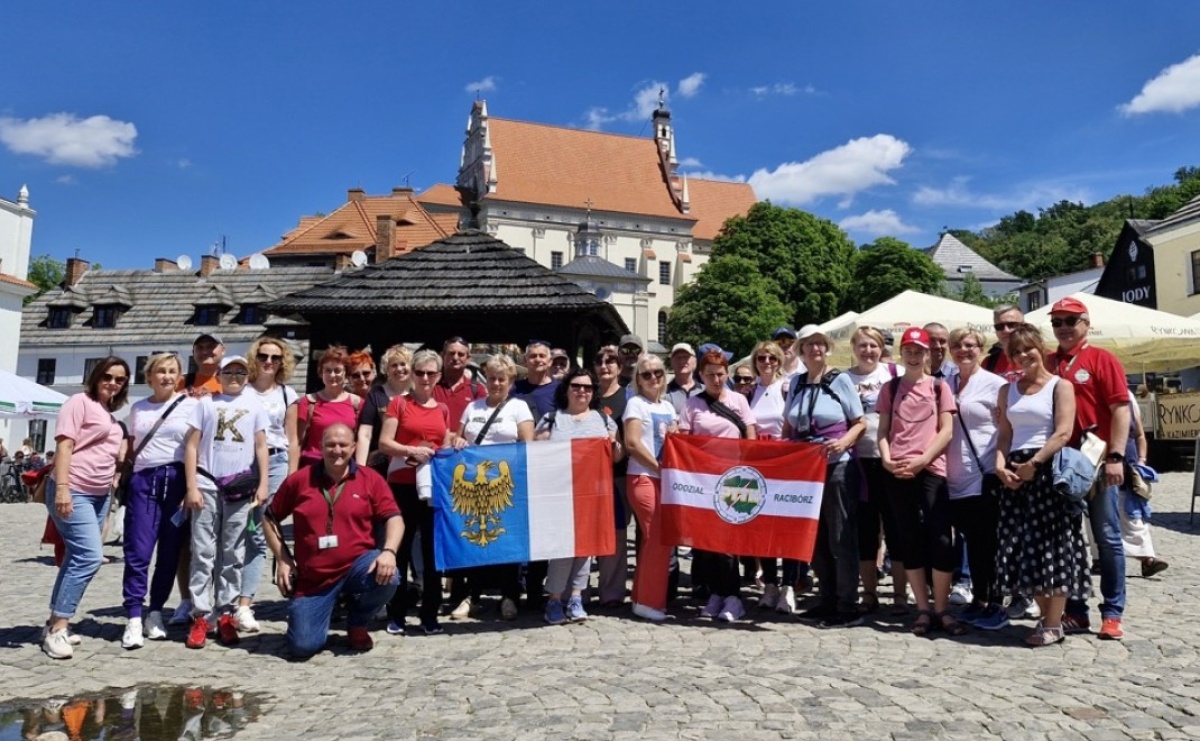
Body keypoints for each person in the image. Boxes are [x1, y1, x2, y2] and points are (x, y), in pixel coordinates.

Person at [264, 424, 402, 658]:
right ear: (320, 447)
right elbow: (269, 518)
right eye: (330, 445)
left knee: (390, 576)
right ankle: (315, 616)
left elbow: (394, 518)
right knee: (303, 647)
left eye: (343, 445)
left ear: (354, 447)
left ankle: (357, 622)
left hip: (357, 565)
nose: (337, 450)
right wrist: (283, 558)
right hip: (314, 578)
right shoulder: (300, 480)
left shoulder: (370, 478)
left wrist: (388, 551)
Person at [994, 324, 1089, 646]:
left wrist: (1035, 465)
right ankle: (1049, 617)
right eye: (1015, 352)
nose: (1022, 356)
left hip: (1047, 472)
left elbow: (1063, 432)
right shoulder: (1008, 391)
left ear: (1040, 348)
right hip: (1015, 475)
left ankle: (1052, 622)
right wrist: (999, 465)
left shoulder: (1059, 386)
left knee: (1053, 547)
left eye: (1027, 349)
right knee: (1020, 548)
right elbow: (1004, 434)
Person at [1047, 297, 1131, 640]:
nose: (1064, 327)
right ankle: (1076, 610)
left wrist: (1117, 456)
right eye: (1058, 321)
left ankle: (1112, 612)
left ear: (1086, 323)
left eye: (1071, 320)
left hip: (1096, 461)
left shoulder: (1101, 359)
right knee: (1068, 541)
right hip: (1059, 463)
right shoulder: (1048, 361)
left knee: (1107, 537)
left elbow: (1121, 409)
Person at [41, 357, 130, 659]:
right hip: (74, 488)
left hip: (99, 493)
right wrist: (63, 489)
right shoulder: (78, 401)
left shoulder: (109, 413)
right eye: (108, 376)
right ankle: (57, 629)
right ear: (95, 376)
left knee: (75, 557)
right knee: (90, 557)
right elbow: (64, 446)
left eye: (120, 379)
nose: (113, 383)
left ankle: (55, 622)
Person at [877, 328, 961, 637]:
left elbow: (946, 430)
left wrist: (923, 459)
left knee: (940, 537)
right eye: (908, 350)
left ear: (928, 354)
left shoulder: (940, 387)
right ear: (901, 353)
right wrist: (886, 459)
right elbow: (883, 431)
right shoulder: (891, 388)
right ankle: (923, 609)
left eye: (919, 351)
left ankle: (942, 608)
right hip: (897, 468)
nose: (914, 356)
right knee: (908, 536)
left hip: (930, 468)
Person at [182, 355, 270, 649]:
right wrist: (191, 485)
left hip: (239, 488)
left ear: (248, 376)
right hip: (207, 485)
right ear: (219, 374)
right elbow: (192, 445)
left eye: (241, 372)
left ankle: (226, 613)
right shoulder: (206, 404)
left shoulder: (255, 406)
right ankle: (201, 614)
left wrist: (263, 484)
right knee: (203, 552)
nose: (235, 376)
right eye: (229, 371)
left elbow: (261, 446)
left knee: (233, 552)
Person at [783, 326, 866, 628]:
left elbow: (859, 422)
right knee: (814, 536)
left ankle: (847, 605)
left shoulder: (839, 379)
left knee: (840, 536)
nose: (815, 349)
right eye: (809, 345)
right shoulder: (796, 383)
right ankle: (827, 598)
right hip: (805, 469)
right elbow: (789, 427)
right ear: (801, 350)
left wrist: (844, 442)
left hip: (836, 465)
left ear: (826, 348)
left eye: (820, 344)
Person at [120, 352, 197, 649]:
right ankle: (134, 616)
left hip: (176, 481)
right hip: (144, 481)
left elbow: (196, 447)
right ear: (149, 376)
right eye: (160, 371)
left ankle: (156, 612)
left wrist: (192, 487)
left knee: (170, 552)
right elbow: (129, 445)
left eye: (172, 371)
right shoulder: (138, 408)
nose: (166, 376)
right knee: (138, 552)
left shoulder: (192, 405)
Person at [378, 349, 455, 636]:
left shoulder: (443, 409)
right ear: (412, 374)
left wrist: (453, 445)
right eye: (420, 372)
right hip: (402, 484)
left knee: (432, 552)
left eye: (430, 373)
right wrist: (411, 450)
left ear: (438, 376)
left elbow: (444, 443)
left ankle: (429, 615)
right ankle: (396, 613)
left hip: (432, 487)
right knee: (399, 548)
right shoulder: (399, 403)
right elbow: (385, 442)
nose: (425, 378)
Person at [535, 367, 620, 624]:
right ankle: (554, 599)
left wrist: (613, 444)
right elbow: (538, 455)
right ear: (566, 389)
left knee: (585, 549)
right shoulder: (552, 418)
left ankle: (576, 596)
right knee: (562, 549)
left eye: (587, 387)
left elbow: (617, 456)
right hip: (560, 494)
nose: (582, 391)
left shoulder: (604, 420)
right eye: (576, 386)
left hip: (592, 494)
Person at [455, 354, 535, 620]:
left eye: (502, 379)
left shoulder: (519, 408)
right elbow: (457, 438)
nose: (497, 383)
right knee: (477, 539)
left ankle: (510, 594)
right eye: (492, 378)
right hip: (475, 484)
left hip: (506, 484)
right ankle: (472, 594)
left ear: (511, 381)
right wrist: (457, 443)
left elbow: (527, 445)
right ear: (485, 380)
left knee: (507, 539)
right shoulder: (472, 408)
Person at [681, 349, 758, 623]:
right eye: (710, 374)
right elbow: (685, 438)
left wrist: (747, 465)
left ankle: (734, 597)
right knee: (708, 542)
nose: (716, 379)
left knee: (728, 543)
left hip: (734, 479)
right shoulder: (693, 403)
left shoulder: (738, 399)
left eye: (721, 373)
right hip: (704, 480)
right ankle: (717, 592)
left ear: (727, 373)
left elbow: (750, 433)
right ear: (701, 375)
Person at [945, 328, 1008, 631]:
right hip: (954, 475)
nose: (963, 350)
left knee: (988, 542)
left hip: (984, 474)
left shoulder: (996, 385)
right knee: (970, 539)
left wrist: (1000, 463)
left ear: (981, 349)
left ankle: (995, 601)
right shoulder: (946, 383)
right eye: (956, 345)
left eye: (969, 345)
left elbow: (1006, 428)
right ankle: (979, 598)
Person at [237, 336, 300, 633]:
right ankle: (224, 599)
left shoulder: (287, 394)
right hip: (240, 464)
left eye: (276, 358)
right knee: (232, 532)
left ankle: (245, 604)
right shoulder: (241, 391)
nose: (269, 362)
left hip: (275, 462)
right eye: (264, 356)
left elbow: (292, 439)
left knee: (260, 533)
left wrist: (292, 474)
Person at [845, 327, 907, 615]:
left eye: (873, 346)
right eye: (862, 346)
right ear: (854, 348)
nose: (868, 351)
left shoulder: (894, 373)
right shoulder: (844, 378)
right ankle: (868, 594)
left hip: (891, 459)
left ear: (881, 348)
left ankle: (899, 595)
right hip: (858, 460)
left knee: (897, 529)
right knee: (866, 531)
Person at [168, 332, 227, 627]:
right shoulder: (182, 384)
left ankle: (216, 601)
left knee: (215, 542)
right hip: (182, 466)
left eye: (211, 347)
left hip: (217, 469)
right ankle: (186, 599)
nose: (206, 352)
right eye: (200, 347)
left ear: (222, 351)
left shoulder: (230, 382)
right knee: (183, 541)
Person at [623, 354, 677, 622]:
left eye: (657, 372)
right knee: (657, 537)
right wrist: (659, 468)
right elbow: (631, 443)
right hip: (644, 477)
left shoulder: (668, 407)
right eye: (646, 374)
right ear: (638, 379)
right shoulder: (635, 404)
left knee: (654, 540)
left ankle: (641, 598)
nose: (653, 377)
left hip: (665, 479)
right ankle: (648, 600)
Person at [510, 340, 560, 608]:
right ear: (525, 360)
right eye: (533, 356)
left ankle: (535, 587)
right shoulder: (514, 390)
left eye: (542, 356)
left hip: (549, 470)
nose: (538, 360)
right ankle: (516, 586)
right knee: (520, 529)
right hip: (518, 467)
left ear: (550, 360)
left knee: (542, 530)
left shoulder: (560, 390)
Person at [746, 340, 788, 610]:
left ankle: (790, 586)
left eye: (772, 358)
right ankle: (770, 584)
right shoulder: (749, 392)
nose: (767, 363)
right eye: (762, 358)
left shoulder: (788, 386)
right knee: (765, 530)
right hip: (758, 464)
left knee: (788, 525)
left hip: (786, 462)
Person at [593, 345, 631, 607]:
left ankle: (612, 591)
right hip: (587, 478)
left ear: (619, 367)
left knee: (616, 534)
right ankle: (579, 590)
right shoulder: (586, 394)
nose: (605, 366)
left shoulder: (628, 398)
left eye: (611, 361)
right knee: (587, 533)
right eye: (600, 361)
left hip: (618, 475)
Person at [291, 345, 362, 473]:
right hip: (312, 467)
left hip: (344, 469)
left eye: (337, 370)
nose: (332, 375)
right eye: (327, 370)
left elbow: (361, 440)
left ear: (346, 373)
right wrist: (292, 474)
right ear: (321, 373)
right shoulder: (308, 402)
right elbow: (297, 442)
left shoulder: (357, 404)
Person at [1121, 400, 1168, 577]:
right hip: (1112, 467)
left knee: (1133, 512)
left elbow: (1140, 435)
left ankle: (1147, 559)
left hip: (1132, 468)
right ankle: (1147, 559)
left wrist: (1142, 459)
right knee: (1128, 514)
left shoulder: (1129, 401)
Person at [356, 344, 412, 477]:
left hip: (411, 465)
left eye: (403, 364)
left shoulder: (418, 395)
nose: (399, 369)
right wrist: (360, 470)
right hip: (379, 466)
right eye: (393, 365)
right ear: (386, 370)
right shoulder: (376, 395)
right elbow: (365, 434)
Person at [433, 337, 486, 429]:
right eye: (451, 353)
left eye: (460, 354)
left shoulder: (477, 389)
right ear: (442, 356)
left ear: (468, 359)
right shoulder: (430, 386)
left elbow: (482, 422)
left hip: (465, 443)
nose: (455, 357)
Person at [984, 304, 1026, 381]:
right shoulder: (989, 363)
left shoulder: (1045, 357)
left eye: (1012, 325)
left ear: (1024, 326)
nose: (1006, 330)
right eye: (999, 327)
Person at [665, 343, 700, 416]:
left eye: (686, 357)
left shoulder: (706, 391)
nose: (682, 361)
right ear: (671, 362)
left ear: (695, 361)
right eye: (678, 357)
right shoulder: (664, 393)